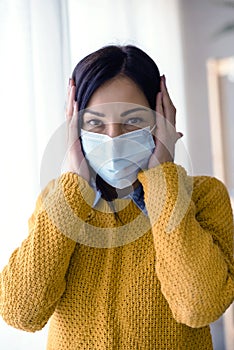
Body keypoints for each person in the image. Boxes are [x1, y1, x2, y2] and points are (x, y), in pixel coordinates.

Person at [0, 45, 234, 350]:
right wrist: (75, 188)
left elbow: (200, 307)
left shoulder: (204, 196)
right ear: (76, 128)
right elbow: (21, 312)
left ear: (160, 120)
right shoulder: (58, 202)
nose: (112, 138)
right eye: (95, 122)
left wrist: (163, 180)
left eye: (132, 121)